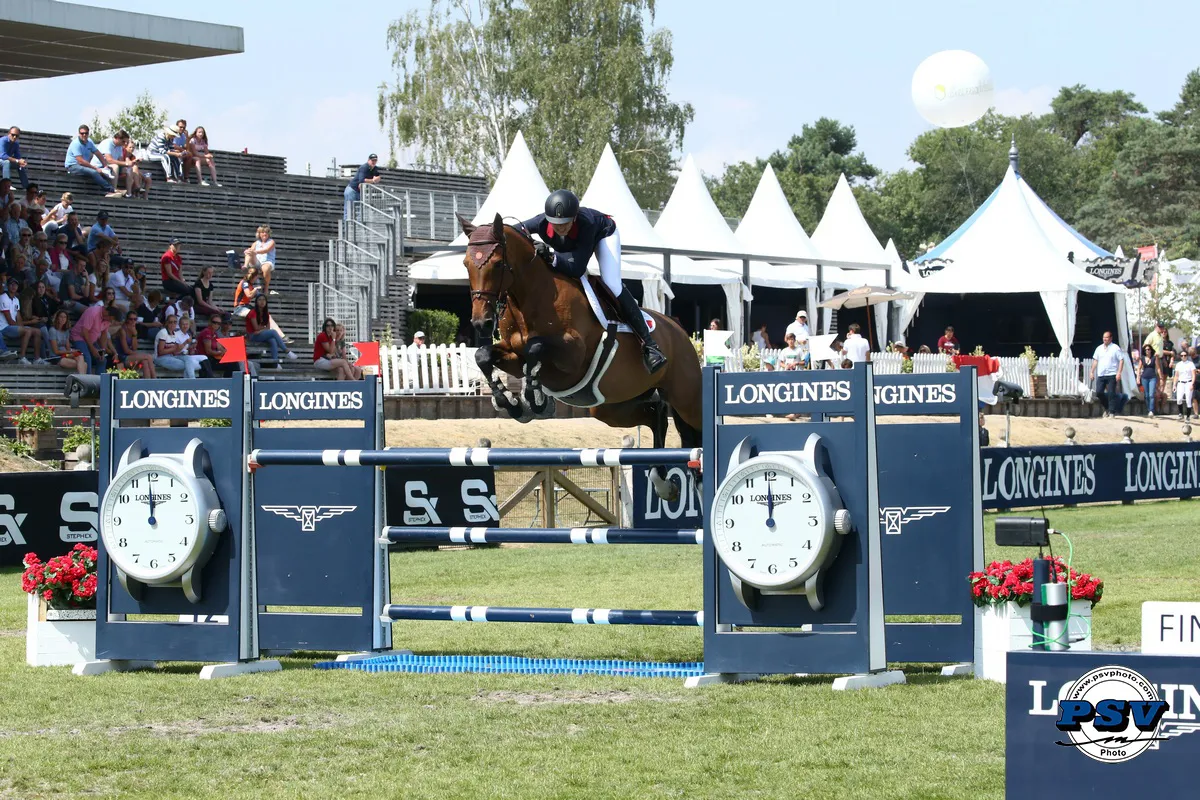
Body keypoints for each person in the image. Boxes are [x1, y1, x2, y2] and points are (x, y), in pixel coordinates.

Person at [521, 189, 666, 373]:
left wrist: (550, 257)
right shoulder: (541, 221)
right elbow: (514, 231)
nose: (561, 228)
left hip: (604, 234)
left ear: (574, 217)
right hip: (573, 246)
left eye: (565, 223)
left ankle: (650, 345)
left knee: (612, 283)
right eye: (556, 224)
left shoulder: (586, 223)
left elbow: (577, 268)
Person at [64, 124, 123, 197]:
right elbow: (80, 161)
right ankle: (111, 190)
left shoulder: (89, 142)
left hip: (83, 166)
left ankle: (110, 191)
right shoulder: (76, 144)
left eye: (86, 133)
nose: (84, 135)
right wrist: (95, 168)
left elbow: (98, 154)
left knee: (106, 171)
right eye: (82, 133)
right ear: (79, 134)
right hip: (73, 166)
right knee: (94, 172)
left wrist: (105, 166)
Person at [244, 295, 297, 368]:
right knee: (273, 332)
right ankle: (286, 351)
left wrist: (261, 330)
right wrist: (262, 329)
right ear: (256, 302)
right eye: (259, 300)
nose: (262, 302)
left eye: (264, 300)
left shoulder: (266, 313)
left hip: (260, 334)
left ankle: (275, 363)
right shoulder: (253, 312)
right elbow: (256, 328)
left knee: (273, 340)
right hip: (252, 335)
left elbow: (267, 327)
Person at [0, 277, 44, 363]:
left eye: (15, 285)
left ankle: (37, 359)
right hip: (3, 327)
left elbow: (18, 318)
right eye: (11, 284)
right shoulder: (3, 297)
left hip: (12, 327)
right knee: (28, 331)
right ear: (7, 286)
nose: (14, 286)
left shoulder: (16, 299)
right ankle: (22, 358)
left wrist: (22, 326)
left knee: (38, 331)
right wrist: (27, 325)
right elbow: (10, 321)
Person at [69, 301, 116, 374]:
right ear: (107, 313)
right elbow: (85, 332)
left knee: (102, 359)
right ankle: (88, 380)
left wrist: (102, 350)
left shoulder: (108, 319)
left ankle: (99, 380)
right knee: (87, 357)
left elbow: (104, 334)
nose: (111, 322)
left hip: (92, 340)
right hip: (79, 337)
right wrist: (92, 349)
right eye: (110, 319)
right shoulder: (93, 312)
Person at [1089, 330, 1124, 418]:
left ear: (1111, 338)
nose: (1105, 339)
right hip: (1101, 374)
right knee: (1099, 392)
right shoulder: (1099, 348)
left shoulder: (1115, 348)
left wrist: (1119, 372)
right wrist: (1092, 371)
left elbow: (1121, 360)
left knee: (1111, 393)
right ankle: (1107, 407)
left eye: (1107, 337)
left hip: (1112, 373)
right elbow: (1095, 360)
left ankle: (1112, 412)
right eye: (1104, 337)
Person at [113, 310, 156, 377]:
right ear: (127, 320)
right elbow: (126, 350)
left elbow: (134, 348)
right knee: (148, 357)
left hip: (130, 356)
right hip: (121, 357)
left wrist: (134, 334)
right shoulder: (122, 331)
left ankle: (148, 382)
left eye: (135, 319)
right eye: (131, 319)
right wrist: (139, 354)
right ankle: (155, 379)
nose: (133, 321)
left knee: (145, 361)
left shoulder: (134, 330)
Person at [344, 153, 382, 219]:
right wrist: (373, 180)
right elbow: (361, 180)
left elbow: (378, 176)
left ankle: (357, 226)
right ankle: (347, 226)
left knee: (359, 212)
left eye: (375, 160)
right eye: (372, 160)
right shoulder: (364, 167)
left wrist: (378, 178)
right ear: (368, 160)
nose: (374, 162)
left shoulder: (375, 168)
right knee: (349, 211)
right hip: (352, 190)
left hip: (359, 192)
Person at [243, 225, 276, 295]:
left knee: (265, 268)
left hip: (267, 262)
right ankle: (245, 266)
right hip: (257, 262)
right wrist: (248, 251)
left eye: (266, 232)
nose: (265, 234)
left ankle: (266, 288)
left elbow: (266, 250)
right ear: (259, 234)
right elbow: (252, 251)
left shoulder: (271, 242)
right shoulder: (256, 243)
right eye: (263, 232)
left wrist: (255, 251)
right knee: (249, 252)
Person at [1139, 343, 1162, 418]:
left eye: (1148, 349)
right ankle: (1149, 409)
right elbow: (1139, 368)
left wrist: (1161, 378)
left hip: (1152, 377)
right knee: (1146, 395)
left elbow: (1158, 368)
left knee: (1151, 394)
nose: (1147, 351)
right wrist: (1138, 378)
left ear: (1151, 350)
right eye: (1146, 350)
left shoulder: (1154, 358)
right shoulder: (1142, 358)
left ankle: (1151, 410)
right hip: (1144, 377)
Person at [1173, 349, 1195, 421]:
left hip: (1188, 382)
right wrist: (1174, 385)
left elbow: (1193, 375)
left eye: (1185, 355)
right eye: (1182, 355)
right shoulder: (1178, 364)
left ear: (1187, 356)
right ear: (1180, 356)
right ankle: (1181, 413)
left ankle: (1188, 417)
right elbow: (1176, 375)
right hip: (1180, 383)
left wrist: (1192, 384)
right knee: (1179, 399)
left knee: (1188, 400)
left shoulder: (1190, 364)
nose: (1183, 357)